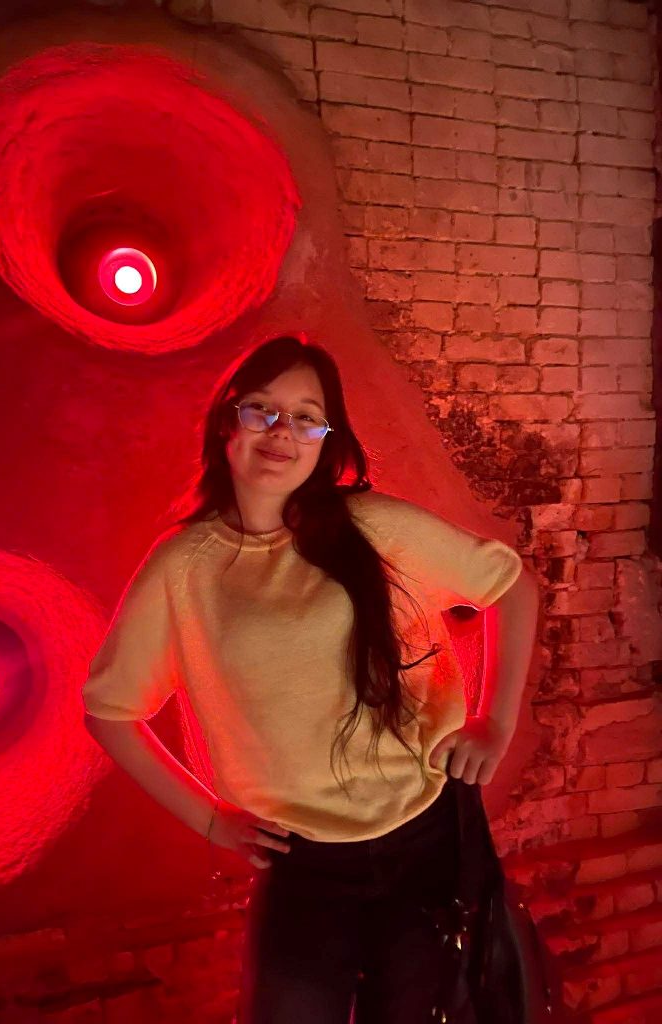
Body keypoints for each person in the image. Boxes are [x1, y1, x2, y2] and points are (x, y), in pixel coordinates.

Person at [81, 335, 540, 1023]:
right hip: (303, 862)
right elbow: (110, 711)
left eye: (306, 418)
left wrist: (495, 721)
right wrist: (210, 819)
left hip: (429, 837)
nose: (281, 432)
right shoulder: (184, 567)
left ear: (327, 441)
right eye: (261, 410)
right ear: (226, 423)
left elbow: (512, 587)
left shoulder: (374, 526)